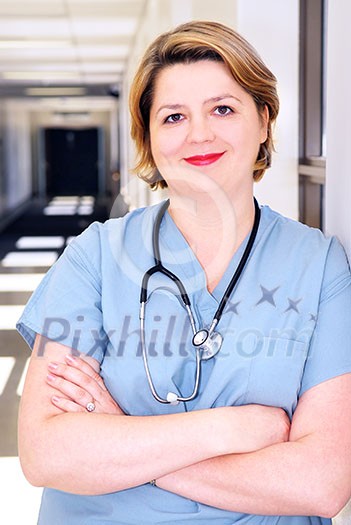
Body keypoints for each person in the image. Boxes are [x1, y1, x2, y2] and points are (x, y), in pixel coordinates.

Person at [17, 20, 351, 525]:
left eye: (222, 108)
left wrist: (124, 437)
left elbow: (321, 483)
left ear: (263, 122)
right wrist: (232, 430)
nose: (199, 134)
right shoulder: (92, 257)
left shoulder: (321, 264)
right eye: (173, 117)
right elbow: (46, 452)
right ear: (148, 138)